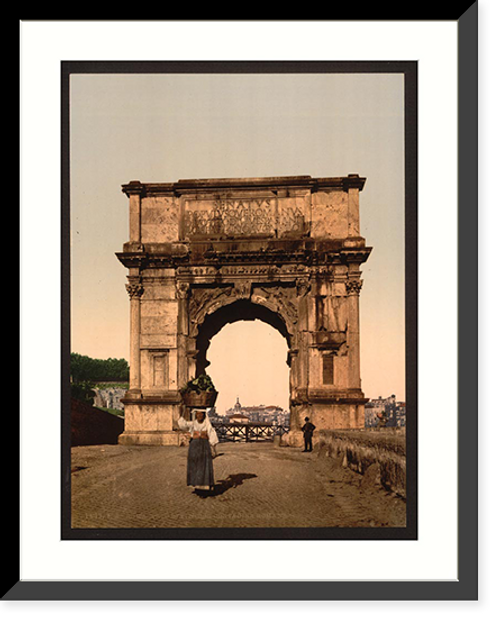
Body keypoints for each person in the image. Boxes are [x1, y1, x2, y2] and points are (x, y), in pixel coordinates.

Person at [177, 408, 219, 493]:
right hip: (194, 446)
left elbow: (212, 434)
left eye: (201, 414)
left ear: (204, 415)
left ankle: (205, 486)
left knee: (204, 465)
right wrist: (182, 413)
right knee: (195, 464)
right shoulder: (193, 423)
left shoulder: (207, 424)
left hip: (204, 447)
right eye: (198, 414)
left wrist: (213, 447)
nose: (199, 416)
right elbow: (183, 424)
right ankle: (196, 484)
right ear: (195, 415)